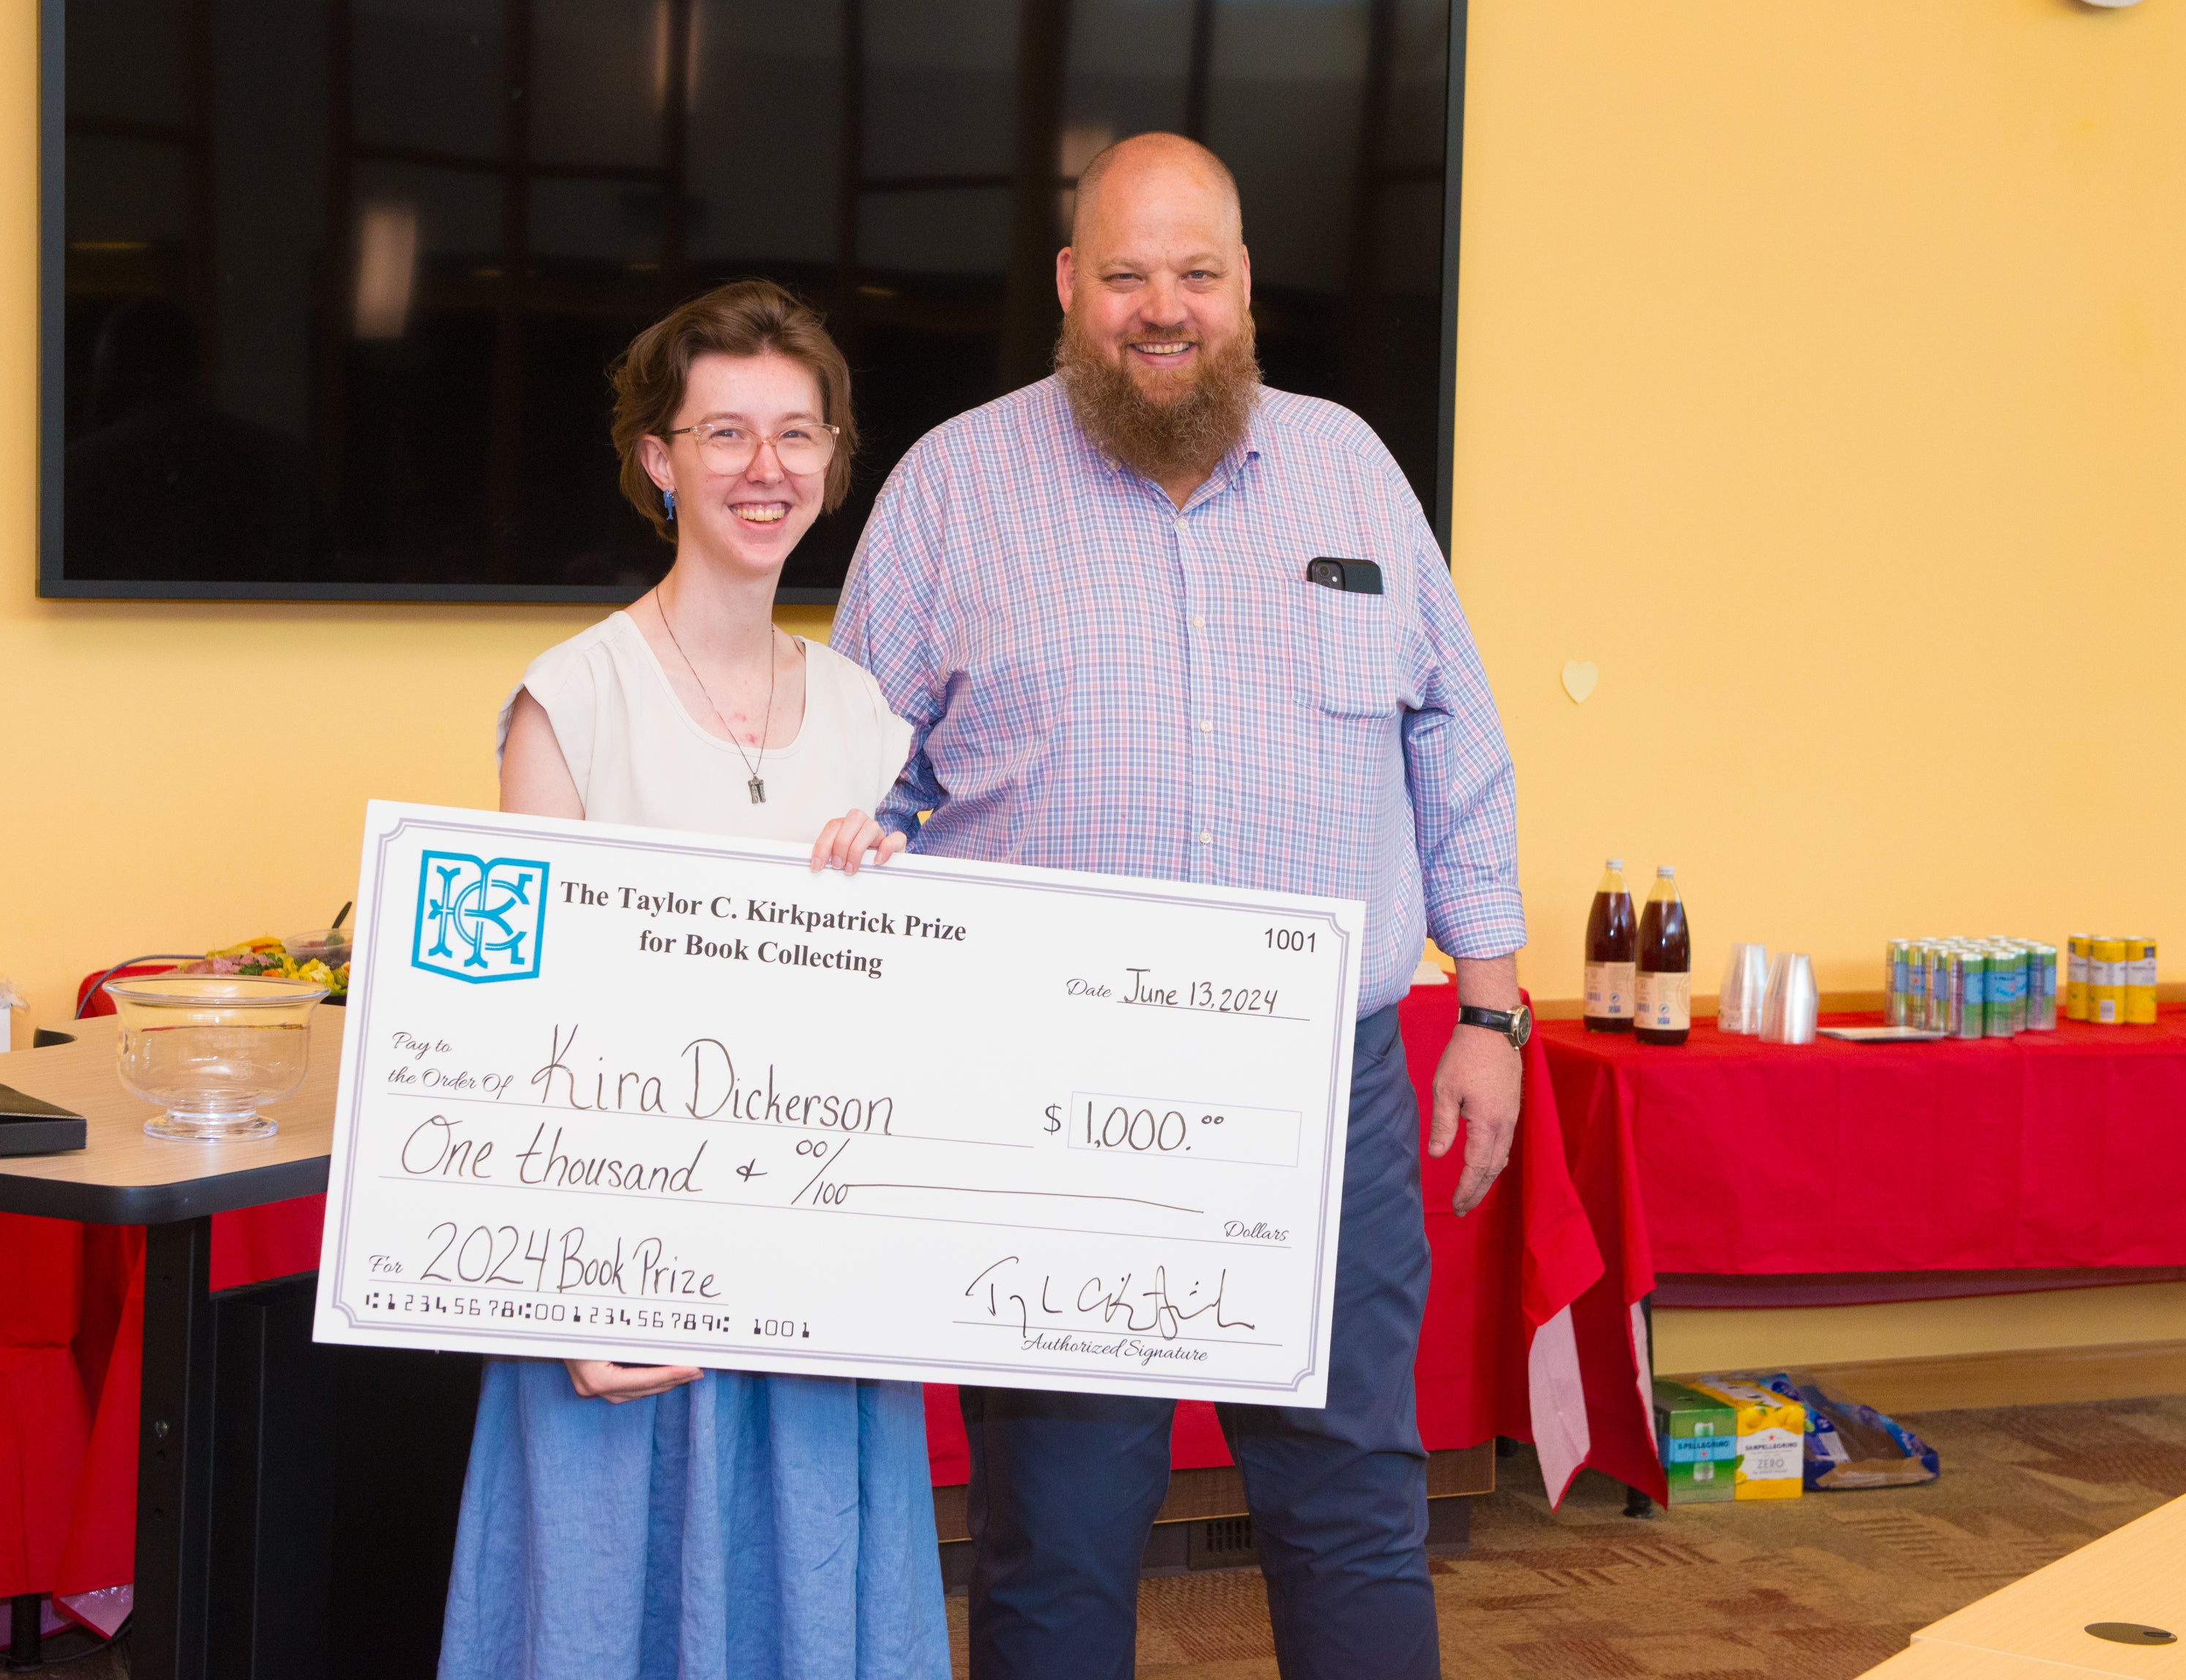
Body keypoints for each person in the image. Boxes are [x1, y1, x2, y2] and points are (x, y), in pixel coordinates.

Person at [833, 133, 1529, 1680]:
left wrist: (1486, 1008)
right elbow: (855, 787)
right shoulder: (953, 488)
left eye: (1197, 273)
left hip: (1325, 1084)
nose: (1167, 309)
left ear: (1245, 292)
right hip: (1049, 1093)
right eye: (1130, 275)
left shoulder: (1353, 469)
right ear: (1073, 288)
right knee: (1060, 1528)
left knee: (1350, 1494)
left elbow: (1454, 745)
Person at [439, 280, 948, 1680]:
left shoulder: (867, 717)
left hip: (821, 1290)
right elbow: (511, 1032)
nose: (766, 468)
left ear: (836, 462)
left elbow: (913, 1018)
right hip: (628, 1300)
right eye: (725, 434)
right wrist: (570, 1299)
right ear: (659, 460)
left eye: (797, 433)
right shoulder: (572, 698)